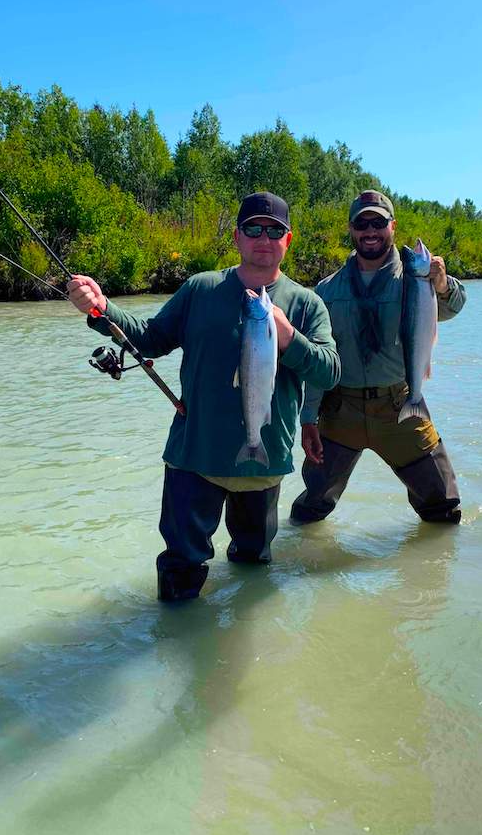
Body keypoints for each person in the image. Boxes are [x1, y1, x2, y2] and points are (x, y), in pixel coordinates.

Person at [68, 192, 340, 601]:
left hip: (263, 463)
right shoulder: (200, 288)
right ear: (236, 237)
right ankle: (174, 645)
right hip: (194, 456)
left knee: (252, 569)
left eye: (274, 230)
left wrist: (287, 336)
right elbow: (150, 339)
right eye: (253, 229)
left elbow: (329, 372)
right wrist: (101, 308)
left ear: (288, 241)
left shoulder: (306, 304)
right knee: (180, 568)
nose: (263, 238)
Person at [290, 189, 466, 527]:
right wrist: (308, 418)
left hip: (400, 405)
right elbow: (316, 361)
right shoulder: (326, 290)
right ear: (351, 229)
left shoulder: (420, 280)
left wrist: (443, 285)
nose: (370, 231)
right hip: (340, 409)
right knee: (309, 511)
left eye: (378, 222)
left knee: (443, 505)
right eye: (362, 223)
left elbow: (452, 308)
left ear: (393, 226)